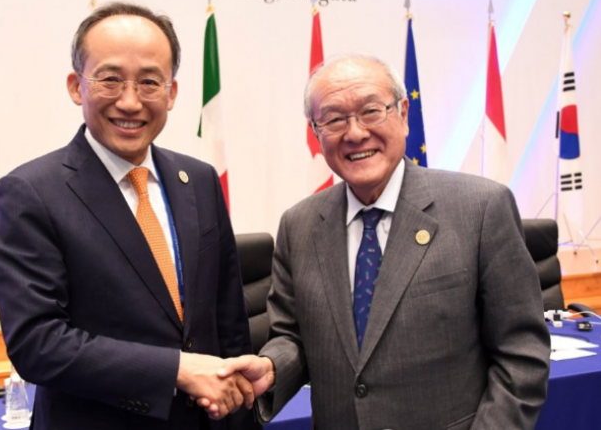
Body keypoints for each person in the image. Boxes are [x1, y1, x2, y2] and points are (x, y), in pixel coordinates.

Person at [214, 54, 551, 429]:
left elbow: (522, 354)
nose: (355, 132)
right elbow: (292, 336)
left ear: (404, 114)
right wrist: (273, 367)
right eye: (335, 119)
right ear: (316, 132)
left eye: (371, 111)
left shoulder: (481, 208)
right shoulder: (299, 226)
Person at [0, 2, 259, 430]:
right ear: (77, 87)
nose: (130, 101)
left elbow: (228, 323)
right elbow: (37, 344)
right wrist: (177, 370)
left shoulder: (201, 180)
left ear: (171, 93)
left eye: (150, 82)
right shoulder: (32, 193)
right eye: (110, 79)